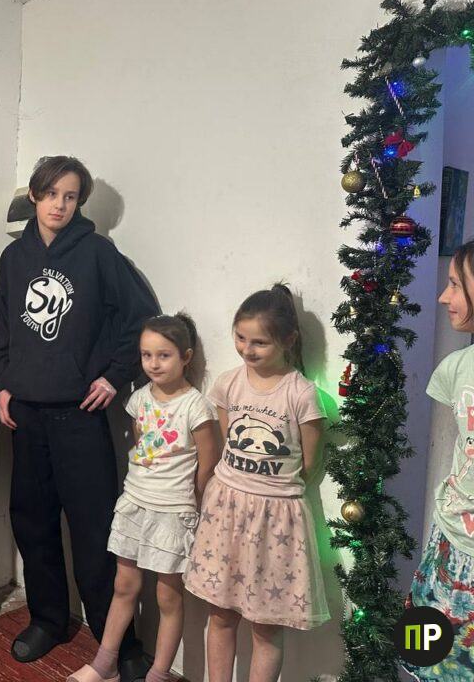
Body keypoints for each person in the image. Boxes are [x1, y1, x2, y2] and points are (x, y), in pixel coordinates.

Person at [0, 155, 159, 680]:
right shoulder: (14, 259)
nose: (59, 205)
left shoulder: (98, 254)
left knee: (95, 531)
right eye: (50, 194)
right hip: (27, 416)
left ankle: (118, 640)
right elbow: (1, 329)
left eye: (69, 196)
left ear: (79, 202)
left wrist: (113, 375)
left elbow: (140, 320)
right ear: (34, 196)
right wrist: (1, 385)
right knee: (33, 522)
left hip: (80, 416)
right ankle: (47, 619)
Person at [184, 283, 329, 682]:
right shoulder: (228, 383)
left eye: (260, 342)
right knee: (221, 614)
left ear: (288, 340)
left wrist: (270, 491)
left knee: (266, 627)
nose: (247, 349)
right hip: (226, 511)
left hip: (277, 522)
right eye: (241, 338)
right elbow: (227, 439)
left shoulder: (302, 394)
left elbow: (310, 462)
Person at [68, 314, 220, 682]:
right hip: (135, 504)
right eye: (146, 355)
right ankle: (105, 664)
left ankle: (159, 673)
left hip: (173, 512)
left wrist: (195, 504)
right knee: (124, 586)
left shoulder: (196, 406)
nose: (153, 363)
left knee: (168, 597)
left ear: (185, 356)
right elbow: (141, 447)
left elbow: (208, 463)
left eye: (163, 355)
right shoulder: (138, 399)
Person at [402, 240, 474, 680]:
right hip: (447, 547)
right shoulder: (456, 368)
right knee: (427, 660)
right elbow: (453, 454)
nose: (444, 297)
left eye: (455, 284)